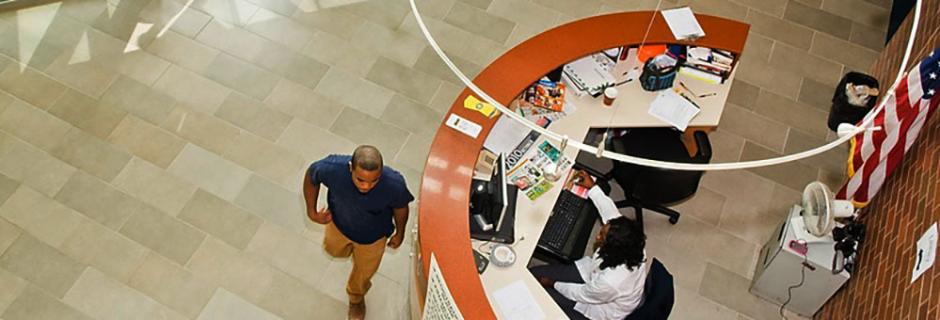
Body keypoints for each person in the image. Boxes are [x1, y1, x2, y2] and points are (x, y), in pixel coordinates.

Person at [302, 145, 414, 320]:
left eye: (373, 181)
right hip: (338, 225)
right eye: (360, 179)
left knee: (364, 272)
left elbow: (401, 208)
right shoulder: (332, 168)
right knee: (333, 250)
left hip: (372, 239)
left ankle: (356, 298)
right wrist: (311, 211)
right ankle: (352, 253)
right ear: (350, 168)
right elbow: (311, 176)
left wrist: (400, 233)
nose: (366, 186)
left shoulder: (394, 185)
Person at [530, 170, 648, 320]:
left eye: (602, 237)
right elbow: (610, 213)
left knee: (535, 289)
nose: (597, 235)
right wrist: (592, 187)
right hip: (593, 277)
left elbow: (582, 293)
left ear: (613, 248)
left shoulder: (611, 281)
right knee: (534, 274)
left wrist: (553, 283)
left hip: (598, 307)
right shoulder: (632, 241)